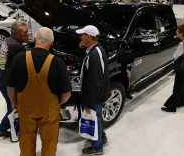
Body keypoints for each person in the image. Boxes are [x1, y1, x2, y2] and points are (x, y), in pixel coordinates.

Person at [7, 27, 71, 156]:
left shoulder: (19, 58)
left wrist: (14, 103)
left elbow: (10, 87)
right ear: (51, 43)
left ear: (35, 39)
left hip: (25, 109)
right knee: (49, 142)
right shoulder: (58, 62)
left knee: (26, 140)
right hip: (49, 112)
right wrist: (57, 104)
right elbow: (66, 94)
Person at [76, 25, 110, 155]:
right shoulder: (95, 49)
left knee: (94, 120)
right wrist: (82, 47)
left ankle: (97, 147)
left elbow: (95, 82)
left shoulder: (94, 55)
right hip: (98, 95)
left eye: (82, 35)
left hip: (95, 97)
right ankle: (102, 138)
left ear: (89, 37)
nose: (80, 37)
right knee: (97, 119)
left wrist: (89, 103)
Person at [0, 20, 28, 138]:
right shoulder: (17, 47)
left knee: (11, 105)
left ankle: (13, 127)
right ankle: (2, 128)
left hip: (1, 79)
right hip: (9, 83)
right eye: (24, 32)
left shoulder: (6, 42)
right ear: (16, 33)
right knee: (15, 106)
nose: (27, 34)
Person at [161, 24, 184, 113]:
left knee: (177, 88)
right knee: (183, 86)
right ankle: (181, 102)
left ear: (182, 33)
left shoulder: (182, 43)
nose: (176, 32)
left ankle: (171, 107)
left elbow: (175, 56)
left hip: (182, 69)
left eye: (177, 31)